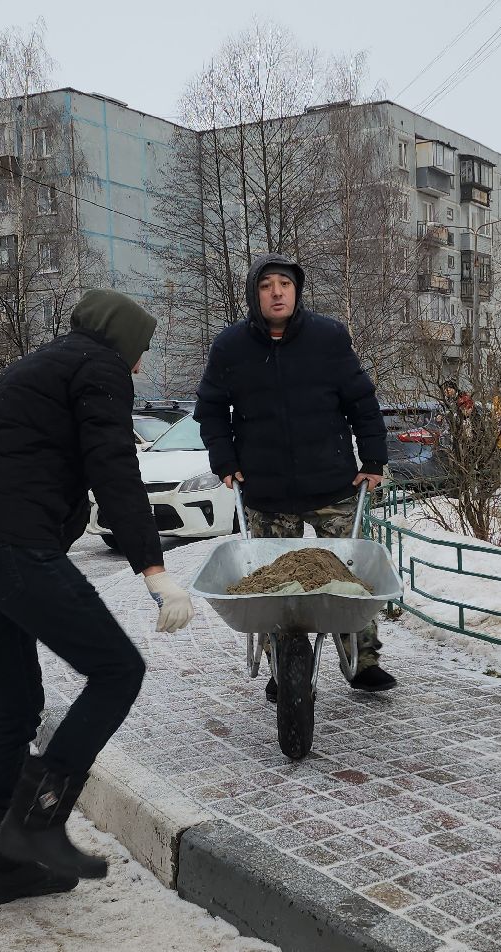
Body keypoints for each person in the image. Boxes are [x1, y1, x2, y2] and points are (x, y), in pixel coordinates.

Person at [0, 288, 194, 906]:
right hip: (10, 543)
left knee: (16, 704)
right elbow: (114, 468)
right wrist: (153, 567)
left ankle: (2, 867)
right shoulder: (99, 366)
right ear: (122, 341)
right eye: (141, 351)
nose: (139, 365)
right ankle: (36, 827)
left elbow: (30, 461)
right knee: (118, 670)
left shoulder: (35, 365)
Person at [194, 254, 396, 695]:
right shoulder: (231, 347)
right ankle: (281, 668)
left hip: (332, 486)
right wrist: (225, 462)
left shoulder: (328, 337)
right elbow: (210, 409)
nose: (277, 293)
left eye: (284, 284)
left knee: (348, 581)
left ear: (296, 290)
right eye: (266, 285)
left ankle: (362, 661)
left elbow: (362, 402)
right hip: (265, 491)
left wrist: (373, 460)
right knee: (270, 588)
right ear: (255, 295)